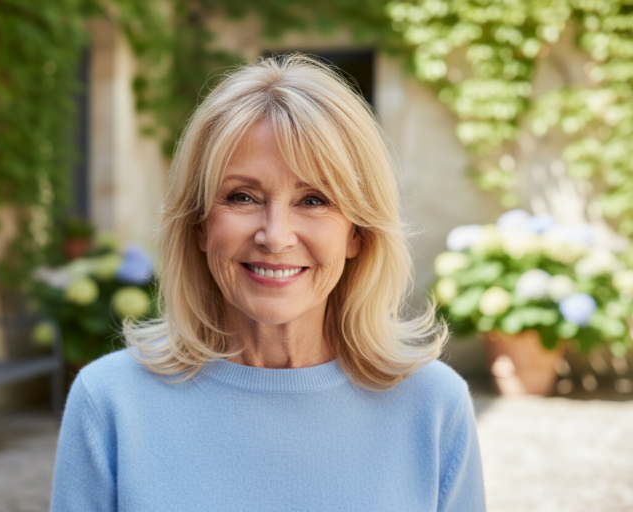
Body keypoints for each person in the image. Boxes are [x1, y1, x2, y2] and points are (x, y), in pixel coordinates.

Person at [50, 54, 486, 511]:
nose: (275, 236)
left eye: (314, 199)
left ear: (357, 232)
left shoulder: (434, 406)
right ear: (199, 224)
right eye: (242, 197)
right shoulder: (110, 403)